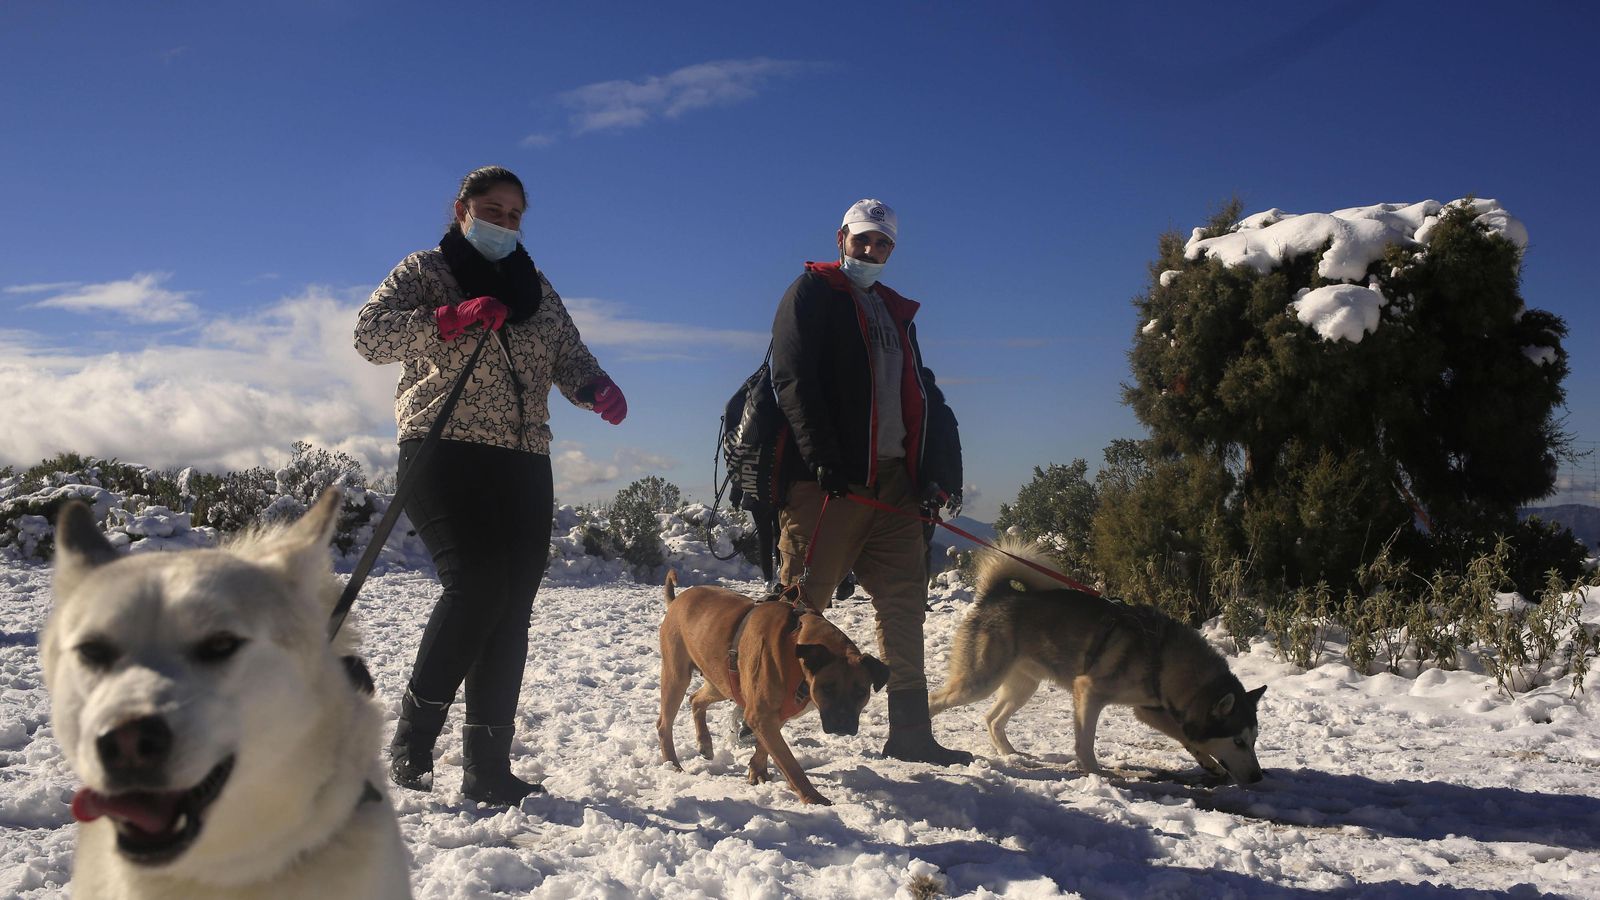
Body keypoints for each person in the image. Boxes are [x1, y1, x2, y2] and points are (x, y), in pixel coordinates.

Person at [353, 165, 627, 805]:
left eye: (514, 214)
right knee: (476, 585)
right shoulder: (426, 271)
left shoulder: (536, 287)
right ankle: (414, 743)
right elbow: (369, 334)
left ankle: (488, 766)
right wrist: (446, 318)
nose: (504, 222)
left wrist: (595, 386)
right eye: (493, 210)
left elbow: (569, 354)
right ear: (462, 210)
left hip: (525, 458)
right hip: (442, 448)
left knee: (511, 604)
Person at [769, 198, 971, 765]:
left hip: (896, 485)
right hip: (828, 486)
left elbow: (922, 395)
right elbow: (792, 378)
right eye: (862, 239)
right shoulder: (810, 293)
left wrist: (938, 474)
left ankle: (911, 734)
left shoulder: (894, 311)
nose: (871, 250)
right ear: (841, 238)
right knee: (798, 607)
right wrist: (821, 459)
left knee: (905, 608)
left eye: (882, 243)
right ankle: (760, 719)